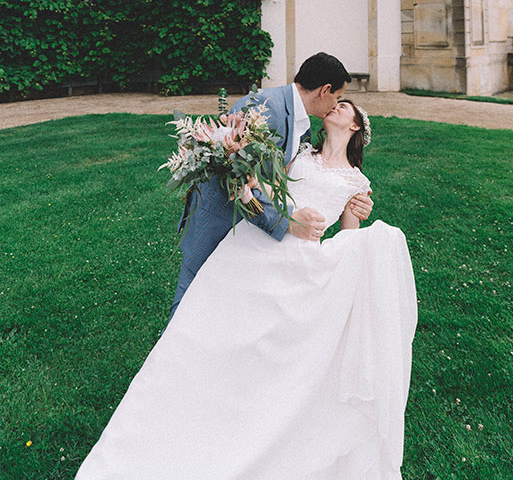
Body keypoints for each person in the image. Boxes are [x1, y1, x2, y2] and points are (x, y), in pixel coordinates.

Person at [76, 100, 417, 479]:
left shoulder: (357, 182)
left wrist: (359, 230)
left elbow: (350, 241)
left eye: (344, 107)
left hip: (303, 263)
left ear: (355, 128)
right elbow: (271, 191)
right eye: (334, 103)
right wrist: (251, 188)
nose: (334, 107)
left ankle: (257, 417)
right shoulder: (302, 153)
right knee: (215, 328)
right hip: (259, 244)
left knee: (271, 351)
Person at [168, 51, 373, 320]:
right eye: (336, 97)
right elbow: (233, 173)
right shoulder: (264, 107)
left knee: (228, 312)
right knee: (189, 305)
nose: (335, 105)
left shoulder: (304, 131)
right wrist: (288, 221)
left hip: (254, 235)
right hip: (217, 220)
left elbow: (283, 180)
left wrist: (354, 201)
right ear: (324, 90)